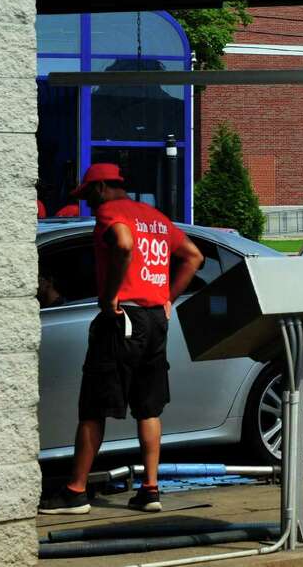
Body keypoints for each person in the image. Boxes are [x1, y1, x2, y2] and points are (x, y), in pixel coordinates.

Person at [38, 163, 203, 515]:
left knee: (94, 407)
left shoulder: (111, 212)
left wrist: (110, 295)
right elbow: (193, 256)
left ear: (98, 189)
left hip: (122, 320)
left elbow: (124, 243)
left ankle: (76, 491)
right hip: (156, 321)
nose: (90, 208)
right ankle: (150, 489)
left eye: (88, 199)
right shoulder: (155, 217)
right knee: (149, 407)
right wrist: (167, 298)